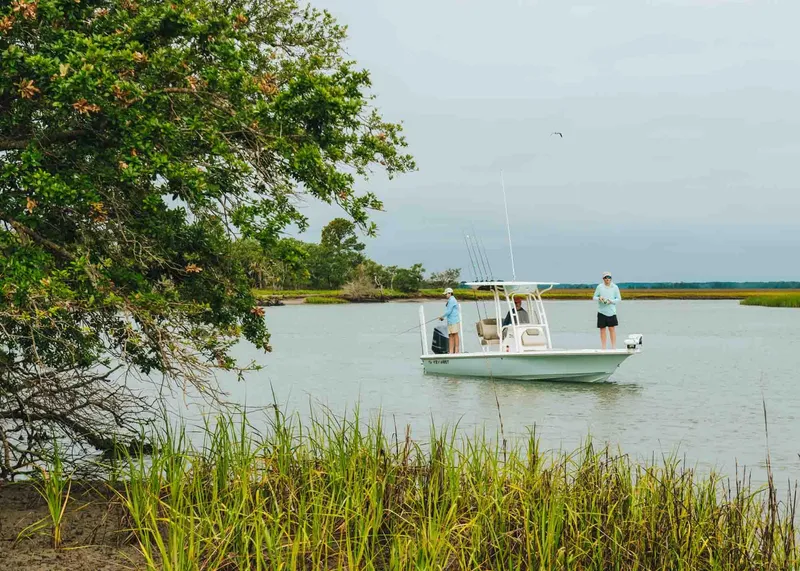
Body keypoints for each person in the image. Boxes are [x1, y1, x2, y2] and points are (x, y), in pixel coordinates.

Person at [593, 271, 621, 349]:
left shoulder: (615, 287)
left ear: (611, 279)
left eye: (609, 277)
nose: (607, 279)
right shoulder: (599, 287)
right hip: (601, 311)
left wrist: (611, 301)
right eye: (606, 278)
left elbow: (619, 299)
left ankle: (613, 347)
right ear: (603, 279)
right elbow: (594, 297)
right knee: (602, 329)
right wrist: (599, 298)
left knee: (612, 329)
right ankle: (603, 347)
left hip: (611, 312)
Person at [439, 287, 460, 354]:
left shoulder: (452, 300)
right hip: (450, 320)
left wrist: (442, 317)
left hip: (454, 320)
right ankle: (451, 351)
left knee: (455, 334)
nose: (445, 295)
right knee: (451, 335)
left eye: (446, 294)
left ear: (450, 293)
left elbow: (449, 311)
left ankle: (456, 351)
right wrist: (443, 317)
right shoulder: (450, 300)